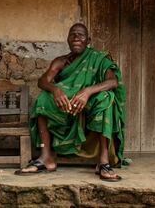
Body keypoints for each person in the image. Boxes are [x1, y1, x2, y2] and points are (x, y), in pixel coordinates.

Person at [15, 23, 126, 181]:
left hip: (88, 103)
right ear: (67, 39)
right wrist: (55, 90)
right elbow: (42, 81)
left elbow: (113, 82)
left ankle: (103, 161)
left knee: (106, 98)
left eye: (81, 35)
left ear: (88, 40)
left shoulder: (99, 59)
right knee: (42, 99)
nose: (76, 38)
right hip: (68, 105)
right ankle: (46, 157)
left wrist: (87, 92)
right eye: (72, 34)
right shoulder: (61, 61)